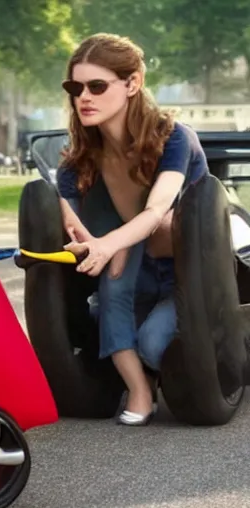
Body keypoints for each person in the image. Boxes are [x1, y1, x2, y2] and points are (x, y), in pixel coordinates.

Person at [54, 33, 209, 426]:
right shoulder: (78, 163)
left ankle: (165, 367)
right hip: (133, 278)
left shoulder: (174, 138)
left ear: (132, 84)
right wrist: (84, 242)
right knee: (108, 303)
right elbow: (75, 228)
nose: (83, 97)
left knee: (155, 346)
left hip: (187, 278)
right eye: (76, 87)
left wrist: (112, 242)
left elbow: (159, 208)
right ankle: (140, 389)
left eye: (97, 86)